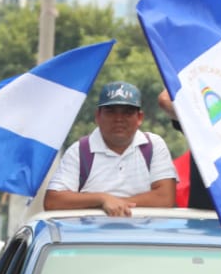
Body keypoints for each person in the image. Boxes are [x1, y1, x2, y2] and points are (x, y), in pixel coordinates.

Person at [44, 81, 178, 216]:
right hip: (90, 236)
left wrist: (116, 204)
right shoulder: (79, 151)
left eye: (127, 112)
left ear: (139, 118)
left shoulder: (153, 145)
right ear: (97, 116)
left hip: (145, 235)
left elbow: (165, 198)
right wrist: (102, 199)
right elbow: (53, 201)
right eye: (111, 112)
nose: (119, 119)